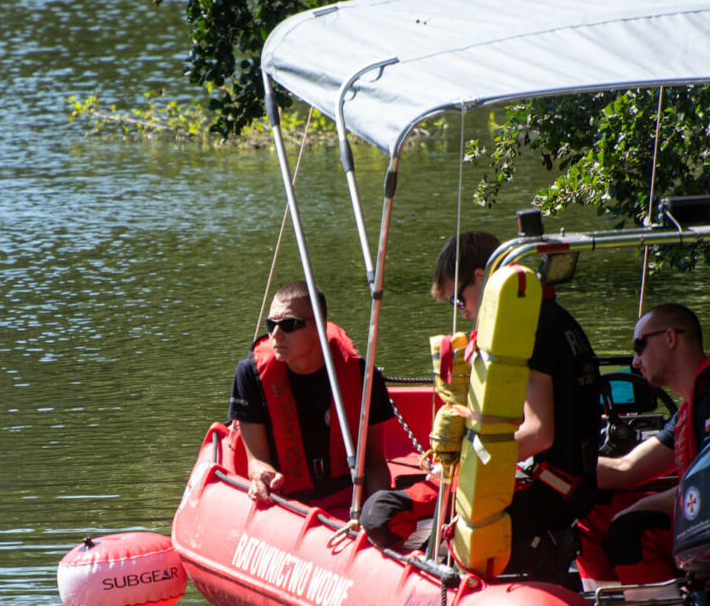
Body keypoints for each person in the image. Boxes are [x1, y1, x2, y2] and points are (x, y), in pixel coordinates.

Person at [362, 231, 601, 582]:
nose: (465, 312)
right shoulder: (552, 318)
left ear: (479, 277)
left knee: (380, 519)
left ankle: (543, 549)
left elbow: (539, 433)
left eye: (459, 301)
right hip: (548, 482)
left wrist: (467, 469)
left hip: (548, 494)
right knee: (384, 510)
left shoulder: (530, 328)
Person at [579, 302, 710, 583]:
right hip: (709, 513)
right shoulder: (692, 404)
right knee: (589, 507)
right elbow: (626, 469)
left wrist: (636, 509)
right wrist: (560, 463)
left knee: (630, 528)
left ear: (670, 338)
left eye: (639, 346)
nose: (635, 362)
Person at [228, 279, 395, 508]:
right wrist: (262, 475)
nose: (275, 334)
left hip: (349, 498)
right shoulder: (250, 374)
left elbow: (374, 462)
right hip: (287, 502)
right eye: (271, 324)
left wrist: (379, 508)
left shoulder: (362, 375)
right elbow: (256, 460)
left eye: (288, 325)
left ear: (319, 326)